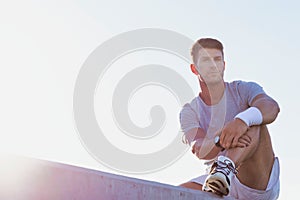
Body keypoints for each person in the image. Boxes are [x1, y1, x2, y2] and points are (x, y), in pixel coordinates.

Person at [179, 38, 280, 199]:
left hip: (254, 180)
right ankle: (220, 174)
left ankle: (225, 168)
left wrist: (241, 122)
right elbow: (199, 147)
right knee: (169, 193)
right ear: (194, 69)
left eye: (217, 59)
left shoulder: (243, 89)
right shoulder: (190, 111)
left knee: (254, 119)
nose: (213, 65)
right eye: (206, 60)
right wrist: (221, 139)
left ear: (224, 65)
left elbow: (271, 107)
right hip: (216, 181)